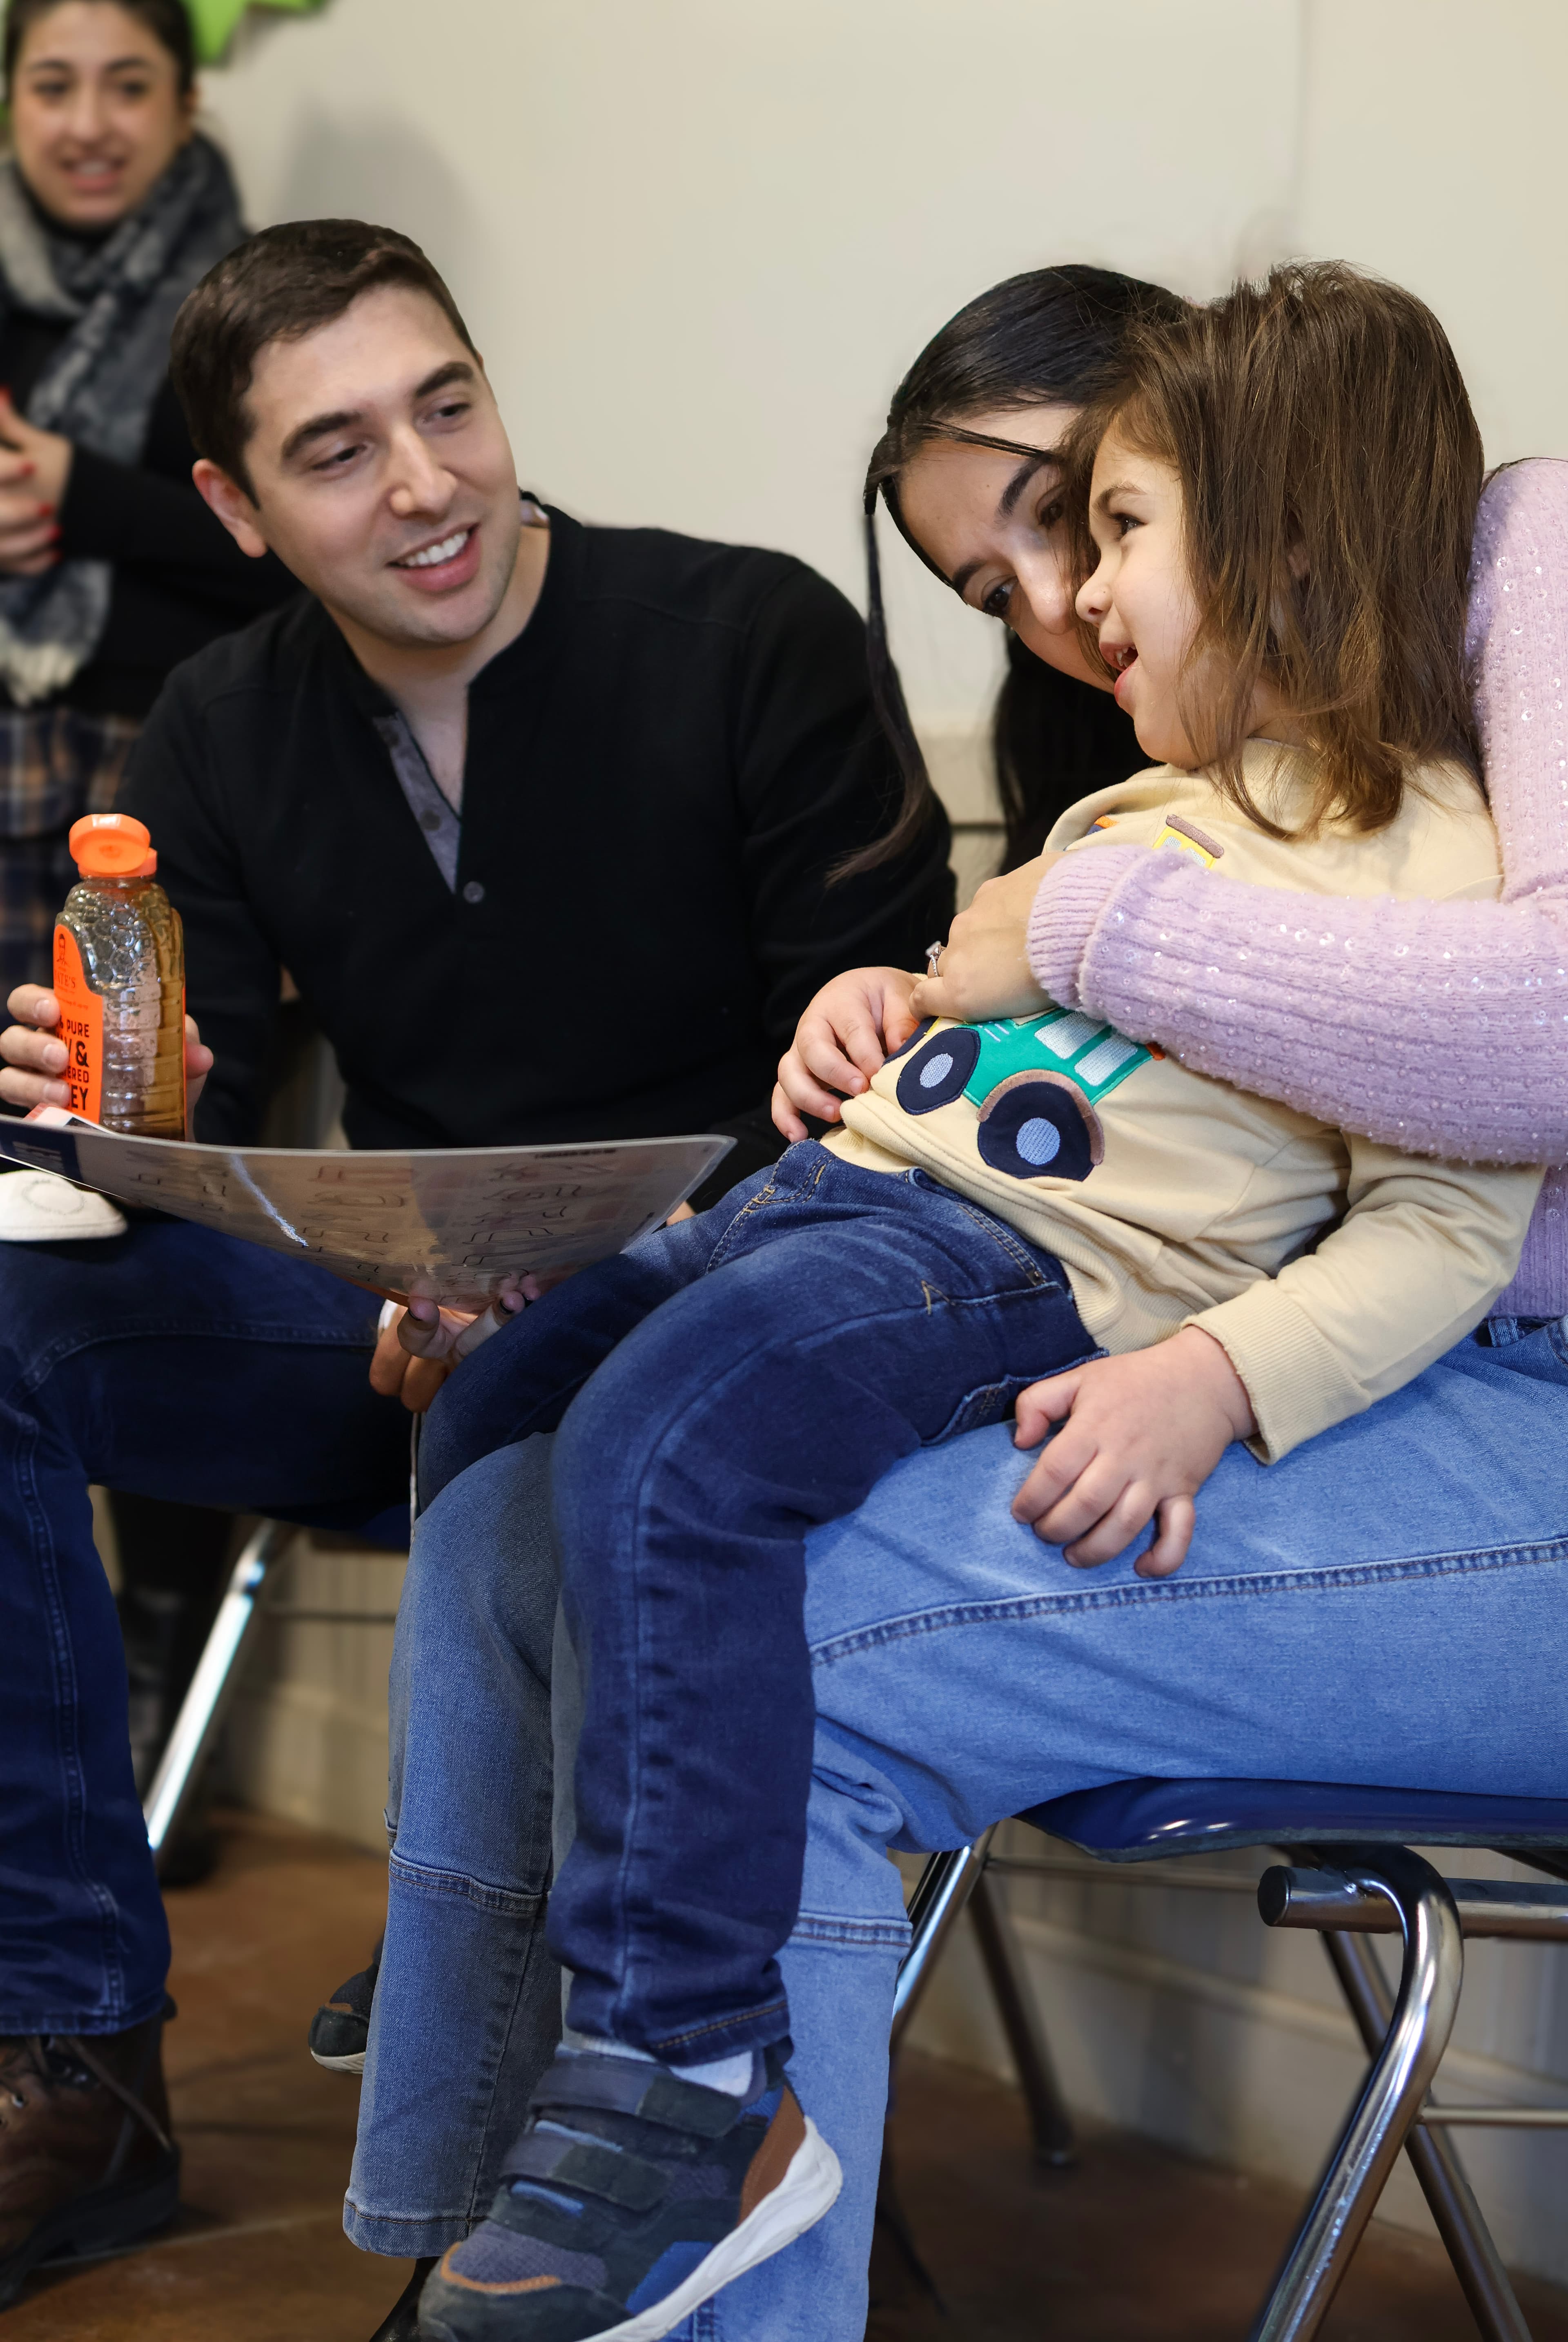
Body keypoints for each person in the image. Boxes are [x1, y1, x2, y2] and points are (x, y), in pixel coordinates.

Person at [362, 256, 1568, 2342]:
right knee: (503, 1479)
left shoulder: (1456, 706)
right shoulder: (1143, 800)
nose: (1064, 606)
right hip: (885, 1222)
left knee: (739, 1573)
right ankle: (496, 2177)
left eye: (1091, 520)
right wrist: (892, 1012)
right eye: (1006, 576)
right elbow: (1006, 1033)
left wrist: (1213, 1364)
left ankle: (681, 2107)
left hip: (1330, 1362)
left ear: (1267, 512)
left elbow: (1488, 1112)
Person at [0, 216, 951, 2313]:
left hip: (741, 1331)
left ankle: (542, 2130)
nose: (424, 481)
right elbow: (200, 1122)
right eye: (337, 453)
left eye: (448, 406)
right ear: (240, 514)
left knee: (590, 1392)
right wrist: (91, 1091)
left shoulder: (748, 637)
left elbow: (901, 1087)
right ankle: (74, 2051)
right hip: (404, 1334)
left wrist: (608, 1276)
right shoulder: (222, 730)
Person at [0, 0, 297, 1804]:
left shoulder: (246, 309)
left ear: (186, 103)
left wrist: (78, 506)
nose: (90, 122)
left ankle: (146, 1739)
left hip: (157, 829)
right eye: (52, 84)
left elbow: (277, 577)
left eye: (129, 85)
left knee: (156, 1214)